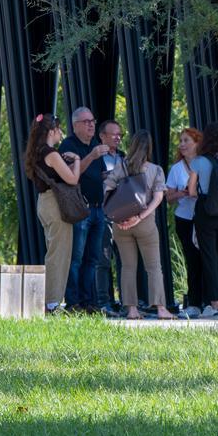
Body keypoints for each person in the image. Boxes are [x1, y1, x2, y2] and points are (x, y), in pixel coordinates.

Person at [105, 131, 175, 319]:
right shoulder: (155, 170)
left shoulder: (120, 167)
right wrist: (140, 216)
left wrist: (119, 218)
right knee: (153, 267)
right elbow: (159, 197)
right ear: (149, 148)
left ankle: (131, 310)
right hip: (145, 224)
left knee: (127, 267)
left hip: (121, 225)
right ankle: (161, 309)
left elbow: (107, 189)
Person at [24, 114, 81, 313]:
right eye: (59, 129)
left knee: (53, 252)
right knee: (59, 255)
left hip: (44, 203)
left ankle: (49, 300)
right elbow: (73, 179)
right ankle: (52, 303)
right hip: (56, 205)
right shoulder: (53, 155)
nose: (61, 133)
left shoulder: (36, 153)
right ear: (51, 132)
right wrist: (77, 160)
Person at [59, 107, 110, 312]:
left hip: (98, 210)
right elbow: (72, 176)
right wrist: (91, 156)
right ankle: (73, 302)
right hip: (81, 209)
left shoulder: (96, 144)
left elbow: (100, 174)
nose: (91, 124)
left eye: (93, 120)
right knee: (76, 258)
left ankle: (89, 302)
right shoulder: (68, 145)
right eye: (86, 121)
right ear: (75, 125)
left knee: (93, 258)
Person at [187, 121, 218, 320]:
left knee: (209, 258)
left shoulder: (199, 161)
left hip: (207, 212)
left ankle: (214, 305)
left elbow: (191, 191)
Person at [165, 127, 203, 318]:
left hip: (204, 219)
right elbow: (168, 197)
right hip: (185, 219)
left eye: (186, 140)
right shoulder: (176, 169)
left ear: (197, 143)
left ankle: (212, 301)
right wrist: (182, 192)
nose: (182, 145)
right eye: (180, 141)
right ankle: (194, 302)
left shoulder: (205, 164)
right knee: (192, 260)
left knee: (208, 260)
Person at [95, 119, 124, 313]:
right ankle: (103, 300)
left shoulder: (123, 157)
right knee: (103, 259)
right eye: (114, 134)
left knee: (124, 260)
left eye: (120, 134)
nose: (118, 137)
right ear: (102, 136)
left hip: (122, 213)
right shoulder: (96, 156)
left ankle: (125, 301)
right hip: (103, 212)